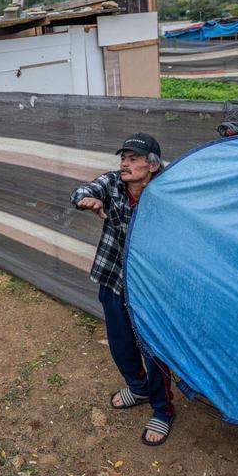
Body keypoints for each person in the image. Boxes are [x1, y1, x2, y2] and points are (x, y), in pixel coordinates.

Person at [71, 133, 175, 446]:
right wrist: (86, 199)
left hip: (150, 287)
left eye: (133, 159)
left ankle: (163, 410)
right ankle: (139, 388)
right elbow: (84, 190)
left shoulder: (168, 190)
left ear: (152, 165)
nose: (124, 164)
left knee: (153, 349)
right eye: (123, 158)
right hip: (113, 278)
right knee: (120, 343)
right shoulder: (113, 183)